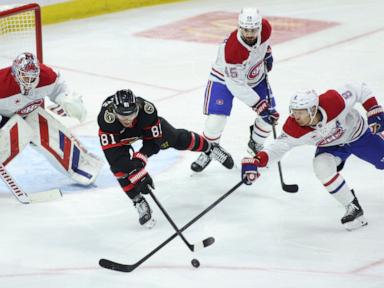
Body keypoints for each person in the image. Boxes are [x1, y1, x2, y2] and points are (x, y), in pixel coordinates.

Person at [241, 82, 384, 231]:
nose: (296, 116)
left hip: (358, 134)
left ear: (313, 109)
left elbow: (359, 88)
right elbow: (277, 148)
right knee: (321, 166)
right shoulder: (293, 127)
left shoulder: (333, 101)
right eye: (294, 111)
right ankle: (353, 207)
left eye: (301, 112)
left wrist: (373, 108)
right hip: (331, 146)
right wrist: (257, 162)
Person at [97, 89, 234, 228]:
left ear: (137, 107)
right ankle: (138, 201)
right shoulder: (106, 120)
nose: (128, 120)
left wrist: (140, 159)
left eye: (132, 114)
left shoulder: (147, 111)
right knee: (119, 170)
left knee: (175, 138)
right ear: (114, 111)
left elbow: (154, 142)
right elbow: (118, 161)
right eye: (122, 116)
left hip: (142, 128)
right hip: (118, 137)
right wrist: (135, 171)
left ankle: (210, 149)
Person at [191, 7, 279, 172]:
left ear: (259, 27)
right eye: (246, 29)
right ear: (240, 27)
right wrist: (258, 104)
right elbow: (235, 85)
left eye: (253, 29)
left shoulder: (266, 28)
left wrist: (267, 53)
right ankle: (209, 149)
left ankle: (255, 144)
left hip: (255, 75)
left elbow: (264, 44)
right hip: (224, 78)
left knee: (270, 117)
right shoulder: (232, 49)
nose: (250, 33)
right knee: (215, 121)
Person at [0, 52, 102, 186]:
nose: (29, 82)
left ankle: (84, 168)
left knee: (47, 129)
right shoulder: (2, 84)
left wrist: (67, 100)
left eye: (32, 77)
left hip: (30, 113)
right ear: (15, 73)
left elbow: (60, 89)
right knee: (15, 132)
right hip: (7, 117)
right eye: (25, 77)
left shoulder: (47, 76)